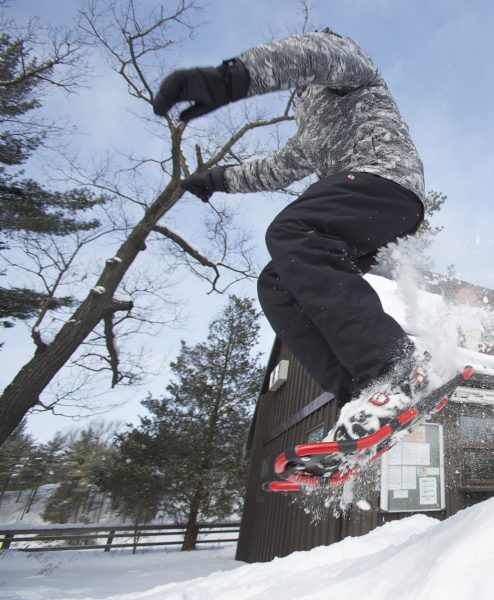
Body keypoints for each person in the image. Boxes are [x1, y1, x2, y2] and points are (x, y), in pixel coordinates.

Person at [152, 29, 432, 441]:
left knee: (293, 230)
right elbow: (277, 167)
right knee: (278, 281)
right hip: (368, 212)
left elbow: (314, 55)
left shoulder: (349, 66)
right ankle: (365, 396)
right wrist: (218, 179)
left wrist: (228, 79)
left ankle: (395, 368)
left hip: (386, 180)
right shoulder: (311, 126)